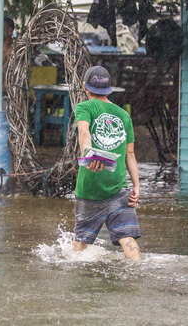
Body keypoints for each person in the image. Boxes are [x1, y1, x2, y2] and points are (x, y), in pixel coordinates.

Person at [71, 65, 142, 260]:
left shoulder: (84, 107)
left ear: (85, 86)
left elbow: (84, 132)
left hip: (89, 188)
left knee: (80, 242)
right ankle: (137, 275)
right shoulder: (123, 115)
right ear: (109, 89)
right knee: (127, 238)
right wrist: (136, 185)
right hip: (118, 188)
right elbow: (130, 154)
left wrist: (89, 155)